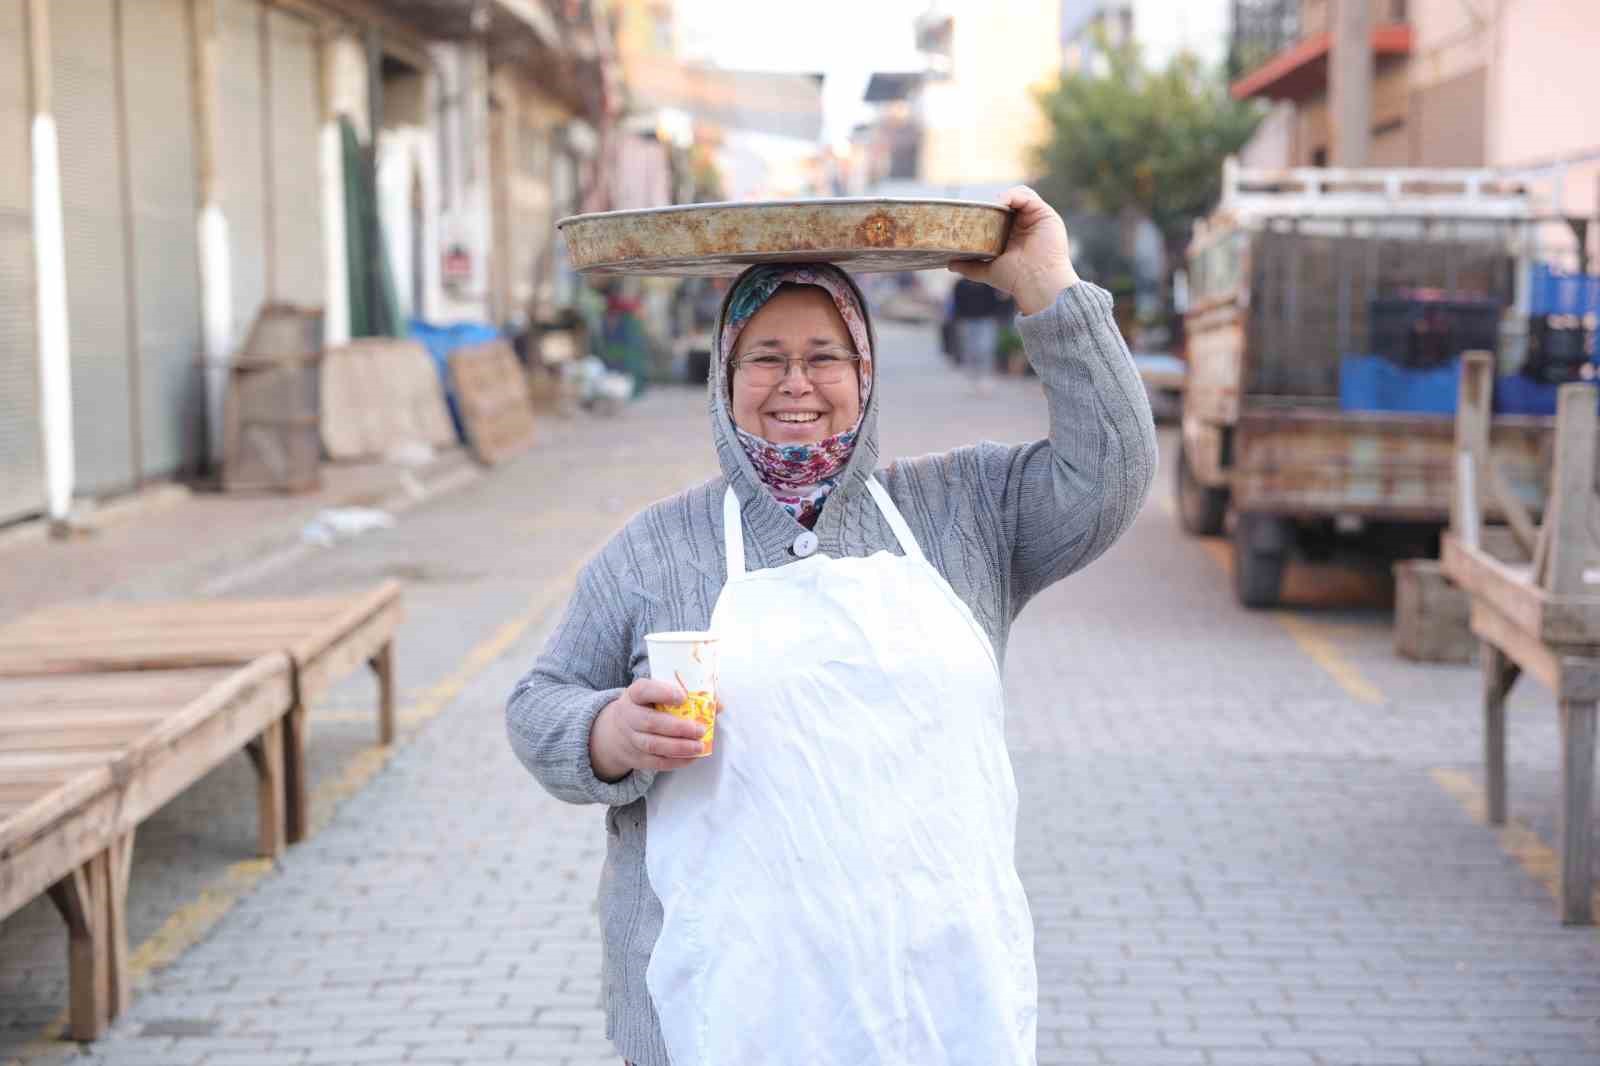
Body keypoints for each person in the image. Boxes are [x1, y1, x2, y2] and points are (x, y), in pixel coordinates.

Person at [506, 187, 1157, 1066]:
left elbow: (1111, 474)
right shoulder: (655, 549)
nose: (796, 384)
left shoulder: (967, 509)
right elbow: (538, 703)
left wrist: (1048, 287)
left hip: (939, 999)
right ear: (725, 377)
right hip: (729, 1007)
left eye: (826, 355)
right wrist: (606, 734)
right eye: (765, 357)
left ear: (866, 373)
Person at [951, 272, 1007, 389]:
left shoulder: (988, 283)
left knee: (986, 347)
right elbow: (956, 302)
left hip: (987, 319)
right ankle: (972, 374)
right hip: (967, 320)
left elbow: (997, 300)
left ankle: (985, 375)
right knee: (970, 348)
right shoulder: (960, 284)